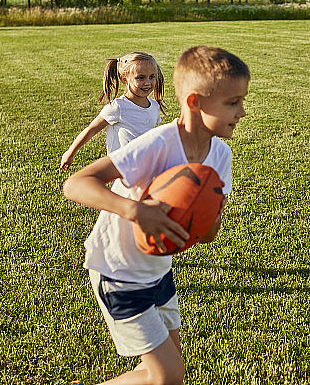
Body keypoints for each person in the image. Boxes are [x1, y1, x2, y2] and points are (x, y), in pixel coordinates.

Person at [63, 46, 250, 384]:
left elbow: (206, 233)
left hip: (158, 271)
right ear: (194, 102)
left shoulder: (220, 156)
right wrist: (136, 211)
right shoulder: (159, 143)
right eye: (232, 103)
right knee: (169, 377)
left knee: (156, 372)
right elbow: (77, 184)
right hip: (120, 273)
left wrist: (206, 217)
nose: (242, 112)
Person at [60, 52, 166, 172]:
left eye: (152, 77)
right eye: (140, 78)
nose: (147, 82)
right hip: (123, 170)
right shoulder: (118, 107)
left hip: (147, 167)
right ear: (124, 79)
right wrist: (70, 152)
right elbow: (92, 129)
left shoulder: (154, 106)